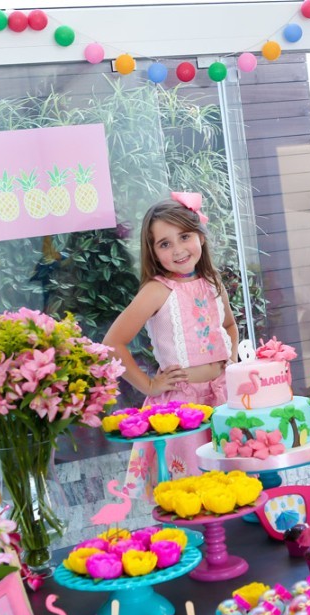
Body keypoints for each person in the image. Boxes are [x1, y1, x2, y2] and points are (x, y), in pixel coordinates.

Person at [103, 192, 238, 492]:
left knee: (231, 485)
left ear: (200, 236)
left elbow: (229, 325)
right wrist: (150, 386)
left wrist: (231, 361)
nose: (178, 250)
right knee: (190, 489)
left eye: (184, 236)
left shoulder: (213, 283)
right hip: (182, 408)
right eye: (165, 244)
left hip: (222, 398)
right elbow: (114, 343)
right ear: (153, 252)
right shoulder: (156, 291)